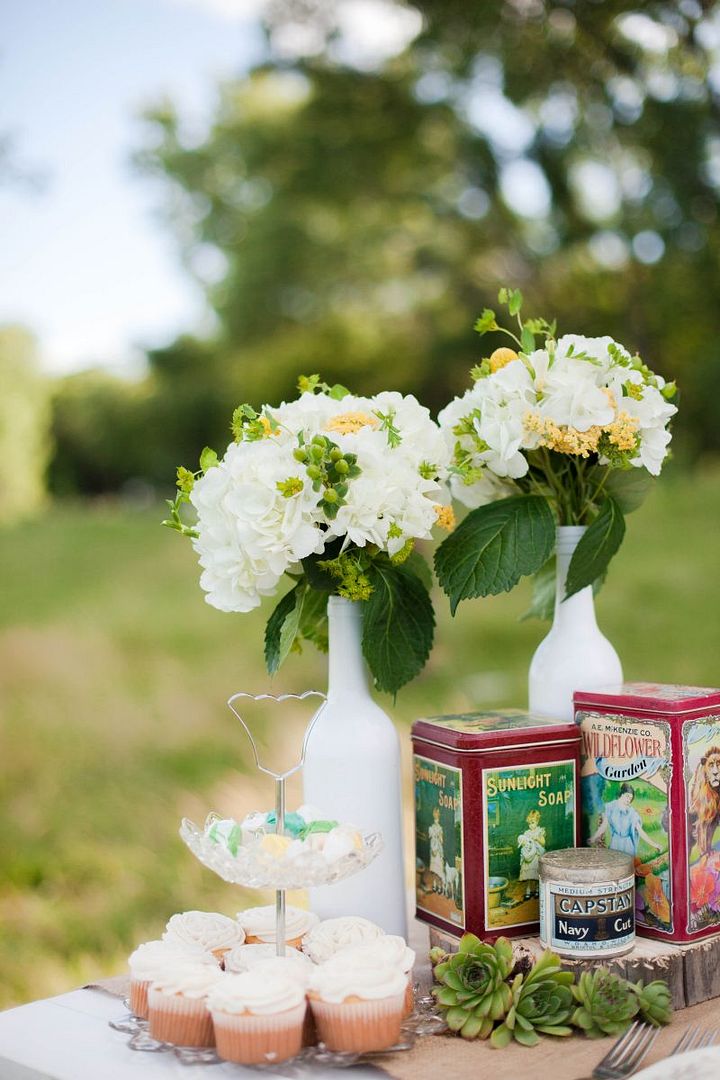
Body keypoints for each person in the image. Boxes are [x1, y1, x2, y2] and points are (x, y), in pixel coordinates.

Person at [590, 783, 662, 856]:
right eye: (627, 796)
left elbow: (640, 831)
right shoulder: (610, 807)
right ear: (622, 794)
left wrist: (655, 844)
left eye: (630, 798)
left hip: (628, 844)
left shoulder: (632, 813)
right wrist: (593, 838)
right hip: (615, 843)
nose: (628, 800)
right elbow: (604, 826)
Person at [517, 809, 545, 900]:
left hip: (536, 853)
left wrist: (537, 838)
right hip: (529, 854)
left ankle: (537, 890)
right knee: (529, 873)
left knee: (536, 873)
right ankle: (528, 890)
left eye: (533, 823)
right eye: (529, 823)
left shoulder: (540, 831)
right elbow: (523, 842)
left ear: (537, 821)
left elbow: (543, 843)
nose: (531, 825)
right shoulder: (527, 832)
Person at [428, 806, 445, 889]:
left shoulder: (440, 828)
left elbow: (442, 841)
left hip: (438, 849)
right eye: (436, 812)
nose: (437, 814)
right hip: (433, 848)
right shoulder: (430, 827)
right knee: (434, 868)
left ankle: (439, 886)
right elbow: (430, 837)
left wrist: (439, 836)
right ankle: (434, 885)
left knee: (439, 867)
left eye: (438, 812)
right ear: (433, 813)